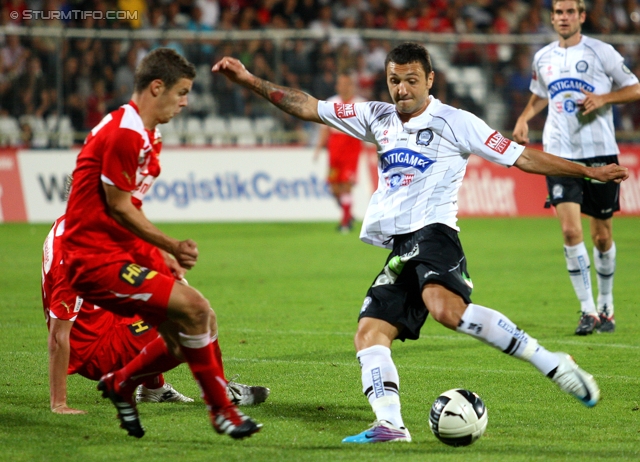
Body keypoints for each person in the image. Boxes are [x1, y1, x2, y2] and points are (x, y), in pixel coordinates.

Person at [212, 42, 628, 443]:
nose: (402, 90)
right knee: (370, 332)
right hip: (401, 246)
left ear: (430, 79)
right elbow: (306, 105)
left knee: (446, 311)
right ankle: (390, 424)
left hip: (435, 235)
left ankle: (552, 363)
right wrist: (248, 79)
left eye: (411, 80)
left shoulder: (457, 122)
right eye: (394, 80)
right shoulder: (377, 116)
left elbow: (521, 156)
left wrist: (587, 173)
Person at [61, 48, 261, 440]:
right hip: (91, 257)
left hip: (116, 250)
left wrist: (160, 255)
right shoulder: (125, 133)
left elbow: (128, 206)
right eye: (182, 92)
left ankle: (122, 382)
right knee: (197, 309)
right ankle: (221, 411)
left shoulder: (147, 133)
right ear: (157, 87)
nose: (186, 102)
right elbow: (119, 209)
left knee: (179, 336)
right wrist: (170, 243)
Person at [43, 215, 270, 414]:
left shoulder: (70, 226)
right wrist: (59, 404)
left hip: (106, 321)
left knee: (165, 300)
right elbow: (57, 336)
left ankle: (154, 389)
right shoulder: (73, 258)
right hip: (98, 351)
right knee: (198, 319)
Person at [512, 0, 640, 335]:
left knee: (601, 237)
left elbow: (635, 88)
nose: (564, 18)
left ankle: (606, 303)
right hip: (559, 153)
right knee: (570, 232)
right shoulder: (544, 57)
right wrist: (525, 117)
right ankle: (586, 311)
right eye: (558, 13)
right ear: (552, 18)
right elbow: (540, 94)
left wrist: (605, 98)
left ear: (581, 16)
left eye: (570, 12)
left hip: (600, 151)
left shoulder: (602, 52)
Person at [313, 72, 366, 233]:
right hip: (334, 147)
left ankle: (345, 223)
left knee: (346, 185)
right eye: (340, 84)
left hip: (352, 146)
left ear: (352, 85)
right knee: (334, 188)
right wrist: (318, 148)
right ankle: (348, 213)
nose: (343, 87)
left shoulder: (360, 104)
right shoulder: (331, 103)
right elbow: (325, 129)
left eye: (346, 83)